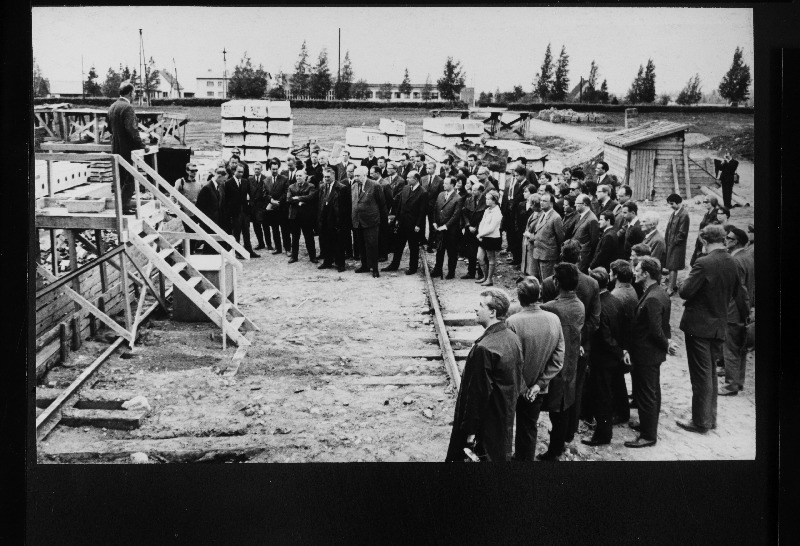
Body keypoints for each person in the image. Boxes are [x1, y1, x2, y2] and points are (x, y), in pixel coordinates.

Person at [445, 288, 524, 462]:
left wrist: (470, 432)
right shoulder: (512, 337)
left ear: (492, 312)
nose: (476, 309)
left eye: (481, 305)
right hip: (503, 417)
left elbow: (477, 395)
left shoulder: (484, 348)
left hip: (486, 426)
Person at [676, 225, 741, 434]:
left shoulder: (703, 263)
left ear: (704, 241)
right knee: (710, 372)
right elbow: (737, 291)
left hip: (699, 326)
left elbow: (685, 292)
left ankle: (701, 421)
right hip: (718, 324)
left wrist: (684, 279)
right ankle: (709, 417)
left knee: (701, 375)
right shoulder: (732, 260)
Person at [541, 240, 601, 442]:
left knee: (555, 389)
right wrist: (579, 341)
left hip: (556, 347)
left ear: (561, 255)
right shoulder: (592, 283)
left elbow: (546, 319)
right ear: (580, 257)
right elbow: (594, 320)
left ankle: (556, 431)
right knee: (575, 387)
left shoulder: (550, 282)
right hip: (581, 347)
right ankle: (569, 431)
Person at [506, 277, 565, 461]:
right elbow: (558, 357)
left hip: (515, 388)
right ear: (539, 295)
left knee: (505, 425)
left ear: (519, 297)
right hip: (537, 391)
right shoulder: (554, 319)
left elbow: (510, 361)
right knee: (529, 428)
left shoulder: (512, 322)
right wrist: (539, 385)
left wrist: (523, 386)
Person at [538, 263, 585, 460]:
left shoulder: (550, 308)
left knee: (556, 410)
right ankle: (562, 440)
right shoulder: (580, 305)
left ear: (556, 282)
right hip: (571, 362)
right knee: (565, 406)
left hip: (555, 364)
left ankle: (554, 451)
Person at [624, 257, 672, 448]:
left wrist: (666, 343)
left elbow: (656, 331)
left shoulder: (652, 298)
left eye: (637, 270)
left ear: (646, 274)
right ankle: (647, 424)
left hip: (647, 354)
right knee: (652, 391)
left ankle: (648, 435)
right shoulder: (658, 292)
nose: (634, 272)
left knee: (647, 394)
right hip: (651, 354)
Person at [582, 267, 626, 446]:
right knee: (611, 392)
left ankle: (602, 435)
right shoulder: (615, 300)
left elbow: (605, 338)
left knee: (602, 397)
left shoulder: (598, 307)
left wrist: (617, 351)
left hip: (603, 359)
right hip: (613, 358)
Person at [720, 226, 754, 395]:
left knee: (731, 347)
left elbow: (740, 291)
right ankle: (738, 381)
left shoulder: (735, 260)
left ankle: (731, 384)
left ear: (737, 242)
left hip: (735, 310)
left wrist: (743, 311)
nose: (726, 240)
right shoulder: (747, 256)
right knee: (740, 348)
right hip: (744, 309)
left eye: (729, 238)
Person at [107, 81, 149, 214]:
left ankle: (120, 205)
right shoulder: (127, 108)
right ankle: (124, 207)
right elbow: (132, 129)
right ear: (130, 93)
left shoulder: (112, 107)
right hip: (127, 150)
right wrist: (142, 145)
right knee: (130, 178)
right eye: (135, 92)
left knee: (120, 179)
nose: (135, 94)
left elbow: (109, 128)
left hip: (116, 149)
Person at [382, 171, 428, 276]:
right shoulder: (406, 188)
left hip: (413, 225)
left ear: (416, 179)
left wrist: (418, 225)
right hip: (402, 223)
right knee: (398, 245)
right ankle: (394, 265)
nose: (407, 179)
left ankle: (413, 267)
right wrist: (397, 219)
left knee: (413, 247)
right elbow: (400, 205)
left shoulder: (423, 192)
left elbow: (422, 211)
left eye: (409, 177)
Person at [609, 259, 637, 421]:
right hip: (627, 341)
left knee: (616, 379)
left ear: (616, 275)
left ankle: (620, 413)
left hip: (621, 343)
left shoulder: (617, 295)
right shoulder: (630, 289)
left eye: (611, 272)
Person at [351, 165, 386, 278]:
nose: (355, 177)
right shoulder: (354, 185)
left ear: (365, 175)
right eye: (354, 175)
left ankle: (374, 268)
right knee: (361, 245)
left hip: (371, 221)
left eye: (358, 175)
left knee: (372, 245)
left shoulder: (375, 185)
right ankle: (364, 265)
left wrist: (378, 218)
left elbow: (382, 204)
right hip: (358, 220)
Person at [430, 176, 463, 279]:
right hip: (439, 228)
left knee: (451, 252)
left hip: (451, 231)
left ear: (452, 185)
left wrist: (446, 226)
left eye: (446, 183)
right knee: (439, 250)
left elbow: (456, 215)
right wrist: (434, 222)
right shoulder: (440, 195)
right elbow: (435, 208)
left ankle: (451, 272)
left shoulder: (458, 198)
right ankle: (437, 269)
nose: (443, 185)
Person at [317, 167, 349, 272]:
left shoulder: (341, 188)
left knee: (338, 243)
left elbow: (345, 207)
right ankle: (327, 261)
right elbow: (320, 203)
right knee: (326, 242)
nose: (326, 179)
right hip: (325, 219)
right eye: (325, 177)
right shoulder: (322, 187)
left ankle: (340, 264)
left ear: (333, 176)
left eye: (328, 177)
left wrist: (342, 222)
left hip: (336, 220)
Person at [224, 164, 259, 258]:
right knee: (236, 233)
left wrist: (250, 206)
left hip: (245, 212)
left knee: (246, 233)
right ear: (234, 171)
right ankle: (236, 252)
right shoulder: (228, 183)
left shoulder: (245, 181)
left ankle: (249, 251)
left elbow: (251, 194)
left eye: (242, 172)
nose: (240, 174)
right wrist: (229, 214)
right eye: (239, 172)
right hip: (235, 213)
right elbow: (226, 200)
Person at [530, 192, 564, 282]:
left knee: (548, 280)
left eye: (544, 201)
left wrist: (558, 254)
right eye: (541, 200)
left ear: (551, 203)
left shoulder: (556, 217)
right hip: (539, 253)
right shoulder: (543, 214)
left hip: (548, 255)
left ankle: (548, 295)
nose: (541, 203)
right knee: (542, 279)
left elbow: (560, 238)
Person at [286, 169, 318, 264]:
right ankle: (294, 256)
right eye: (297, 176)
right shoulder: (291, 187)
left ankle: (313, 257)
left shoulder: (311, 186)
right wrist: (301, 201)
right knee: (295, 237)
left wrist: (298, 198)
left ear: (305, 177)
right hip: (294, 216)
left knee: (309, 237)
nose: (298, 178)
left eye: (300, 176)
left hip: (306, 216)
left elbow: (311, 197)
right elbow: (288, 199)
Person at [195, 166, 227, 254]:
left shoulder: (219, 187)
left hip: (216, 222)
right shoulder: (207, 188)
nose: (224, 182)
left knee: (213, 246)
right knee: (208, 246)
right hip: (208, 223)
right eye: (223, 180)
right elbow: (199, 207)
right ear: (219, 176)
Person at [502, 166, 529, 267]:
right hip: (513, 214)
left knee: (518, 239)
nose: (516, 177)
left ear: (522, 175)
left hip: (519, 215)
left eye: (517, 176)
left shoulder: (526, 185)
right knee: (513, 237)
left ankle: (518, 260)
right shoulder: (518, 184)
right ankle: (516, 258)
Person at [475, 190, 503, 286]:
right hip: (483, 237)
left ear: (494, 200)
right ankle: (485, 276)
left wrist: (481, 234)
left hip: (492, 238)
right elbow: (482, 223)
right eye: (486, 199)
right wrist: (480, 233)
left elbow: (492, 228)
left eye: (488, 199)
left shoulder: (497, 212)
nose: (486, 201)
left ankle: (489, 279)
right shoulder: (487, 210)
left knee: (491, 258)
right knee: (479, 257)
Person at [174, 162, 204, 253]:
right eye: (192, 171)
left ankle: (191, 250)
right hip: (185, 212)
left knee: (195, 233)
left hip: (195, 213)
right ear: (187, 171)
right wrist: (176, 206)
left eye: (196, 171)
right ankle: (189, 252)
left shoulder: (198, 184)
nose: (194, 173)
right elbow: (173, 195)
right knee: (189, 232)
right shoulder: (181, 182)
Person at [664, 193, 690, 296]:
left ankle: (670, 289)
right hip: (671, 244)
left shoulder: (684, 215)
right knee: (671, 266)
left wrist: (674, 243)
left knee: (673, 266)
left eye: (672, 203)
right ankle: (673, 285)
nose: (671, 206)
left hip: (677, 246)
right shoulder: (674, 213)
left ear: (679, 202)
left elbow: (682, 233)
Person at [461, 181, 485, 280]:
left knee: (481, 253)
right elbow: (464, 213)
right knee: (470, 252)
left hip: (480, 230)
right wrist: (468, 225)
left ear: (480, 191)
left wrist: (477, 227)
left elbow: (485, 217)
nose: (472, 192)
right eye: (472, 190)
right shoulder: (468, 200)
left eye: (475, 190)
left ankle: (481, 273)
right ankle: (470, 272)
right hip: (470, 230)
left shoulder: (486, 201)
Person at [266, 160, 291, 256]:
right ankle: (278, 248)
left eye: (276, 169)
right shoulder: (266, 180)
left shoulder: (284, 179)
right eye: (273, 169)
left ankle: (288, 249)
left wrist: (278, 202)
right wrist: (271, 200)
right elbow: (265, 194)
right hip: (272, 209)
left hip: (282, 208)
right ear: (270, 169)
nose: (275, 171)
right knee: (275, 229)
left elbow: (286, 192)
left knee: (285, 230)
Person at [571, 194, 600, 272]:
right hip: (577, 254)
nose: (574, 205)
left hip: (583, 257)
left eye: (577, 203)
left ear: (584, 204)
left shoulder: (592, 219)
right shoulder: (579, 215)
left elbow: (594, 242)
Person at [248, 162, 272, 252]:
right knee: (256, 226)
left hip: (263, 206)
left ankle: (269, 244)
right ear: (253, 169)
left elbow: (268, 193)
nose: (257, 170)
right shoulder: (250, 179)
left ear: (262, 169)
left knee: (265, 226)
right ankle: (261, 243)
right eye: (255, 169)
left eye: (258, 169)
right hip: (254, 207)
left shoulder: (266, 179)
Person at [690, 195, 720, 266]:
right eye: (704, 202)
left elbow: (711, 230)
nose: (704, 203)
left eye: (706, 202)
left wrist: (705, 243)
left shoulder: (716, 214)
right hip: (700, 241)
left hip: (707, 241)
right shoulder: (706, 214)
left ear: (712, 202)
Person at [422, 159, 444, 253]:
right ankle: (422, 241)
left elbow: (440, 195)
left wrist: (437, 206)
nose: (428, 170)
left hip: (433, 207)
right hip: (423, 206)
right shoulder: (423, 178)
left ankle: (431, 244)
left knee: (432, 225)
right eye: (427, 168)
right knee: (421, 223)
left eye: (430, 168)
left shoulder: (440, 180)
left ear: (435, 169)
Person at [520, 192, 540, 276]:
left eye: (530, 203)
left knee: (532, 270)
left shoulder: (541, 215)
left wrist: (530, 236)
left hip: (533, 246)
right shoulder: (533, 213)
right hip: (527, 245)